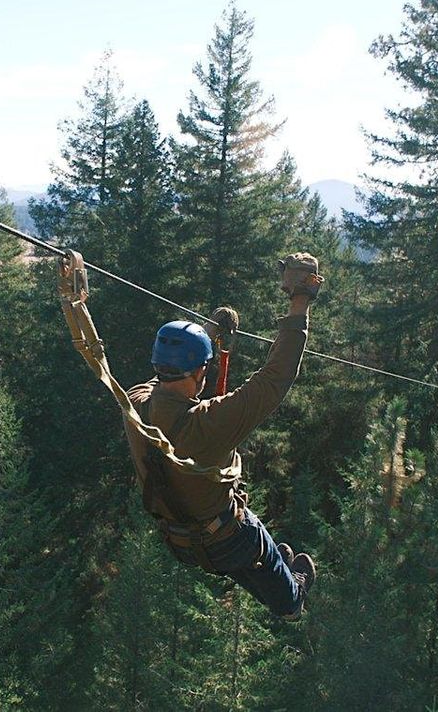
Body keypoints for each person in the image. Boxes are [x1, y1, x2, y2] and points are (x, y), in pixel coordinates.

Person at [124, 253, 323, 619]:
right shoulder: (207, 424)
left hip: (180, 539)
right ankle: (291, 596)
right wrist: (300, 301)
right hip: (228, 536)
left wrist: (207, 334)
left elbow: (160, 384)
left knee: (245, 558)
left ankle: (274, 565)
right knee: (266, 565)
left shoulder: (135, 403)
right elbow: (275, 378)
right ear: (201, 369)